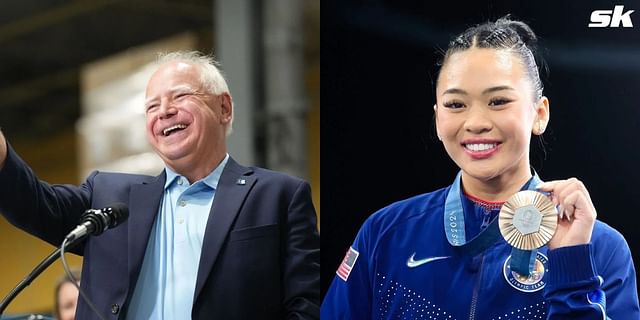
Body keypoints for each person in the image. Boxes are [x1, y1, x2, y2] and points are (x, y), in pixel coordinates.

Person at [321, 17, 639, 319]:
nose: (475, 123)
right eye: (456, 105)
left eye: (498, 101)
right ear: (437, 118)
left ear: (539, 113)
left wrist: (571, 267)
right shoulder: (385, 233)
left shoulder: (599, 248)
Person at [0, 51, 320, 319]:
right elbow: (33, 203)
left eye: (180, 96)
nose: (164, 111)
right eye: (152, 106)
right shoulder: (108, 196)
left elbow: (305, 306)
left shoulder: (279, 196)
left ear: (224, 107)